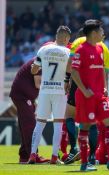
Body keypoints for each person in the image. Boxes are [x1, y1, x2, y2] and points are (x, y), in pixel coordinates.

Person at [71, 19, 109, 171]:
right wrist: (84, 90)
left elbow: (102, 70)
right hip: (86, 96)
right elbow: (74, 71)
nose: (104, 34)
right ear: (94, 33)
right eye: (101, 31)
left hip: (100, 95)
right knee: (85, 126)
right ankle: (84, 164)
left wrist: (104, 88)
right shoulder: (80, 50)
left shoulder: (100, 49)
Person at [63, 27, 109, 165]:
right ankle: (91, 156)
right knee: (93, 124)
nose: (103, 35)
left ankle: (74, 148)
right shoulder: (104, 47)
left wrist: (66, 81)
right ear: (94, 34)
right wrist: (105, 88)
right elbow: (105, 71)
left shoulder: (77, 42)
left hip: (80, 87)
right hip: (96, 89)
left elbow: (70, 66)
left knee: (70, 116)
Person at [28, 26, 72, 164]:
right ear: (66, 38)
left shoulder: (43, 49)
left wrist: (34, 68)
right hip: (60, 91)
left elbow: (34, 70)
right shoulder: (68, 52)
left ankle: (32, 155)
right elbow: (70, 71)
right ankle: (54, 157)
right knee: (58, 124)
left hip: (45, 90)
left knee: (40, 123)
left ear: (56, 35)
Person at [9, 58, 49, 164]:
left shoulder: (39, 60)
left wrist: (33, 99)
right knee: (30, 125)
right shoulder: (40, 61)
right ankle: (33, 156)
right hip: (23, 96)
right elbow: (38, 84)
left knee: (25, 126)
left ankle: (24, 156)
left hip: (24, 96)